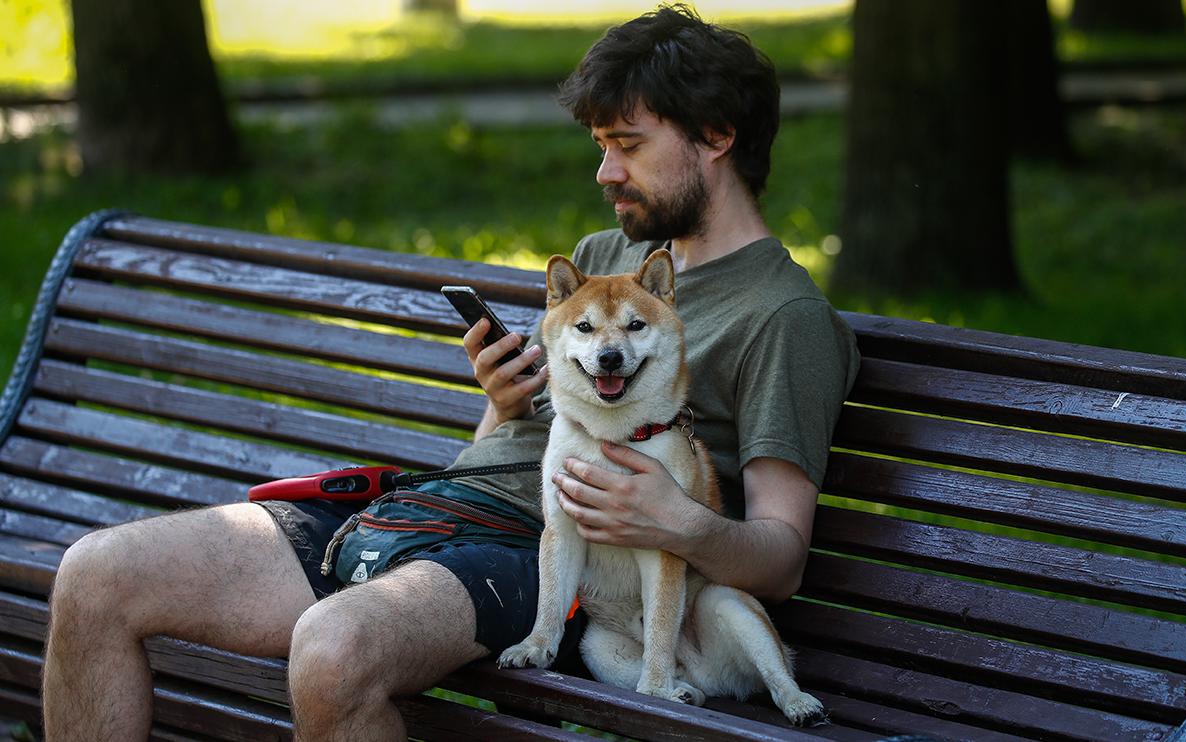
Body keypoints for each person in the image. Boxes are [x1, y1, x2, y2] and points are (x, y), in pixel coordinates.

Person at [41, 5, 860, 739]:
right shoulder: (612, 261)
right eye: (601, 147)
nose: (605, 173)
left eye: (627, 146)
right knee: (95, 576)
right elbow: (512, 446)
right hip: (435, 507)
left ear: (716, 136)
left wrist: (671, 519)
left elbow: (781, 559)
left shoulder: (783, 318)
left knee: (332, 654)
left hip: (536, 552)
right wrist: (503, 405)